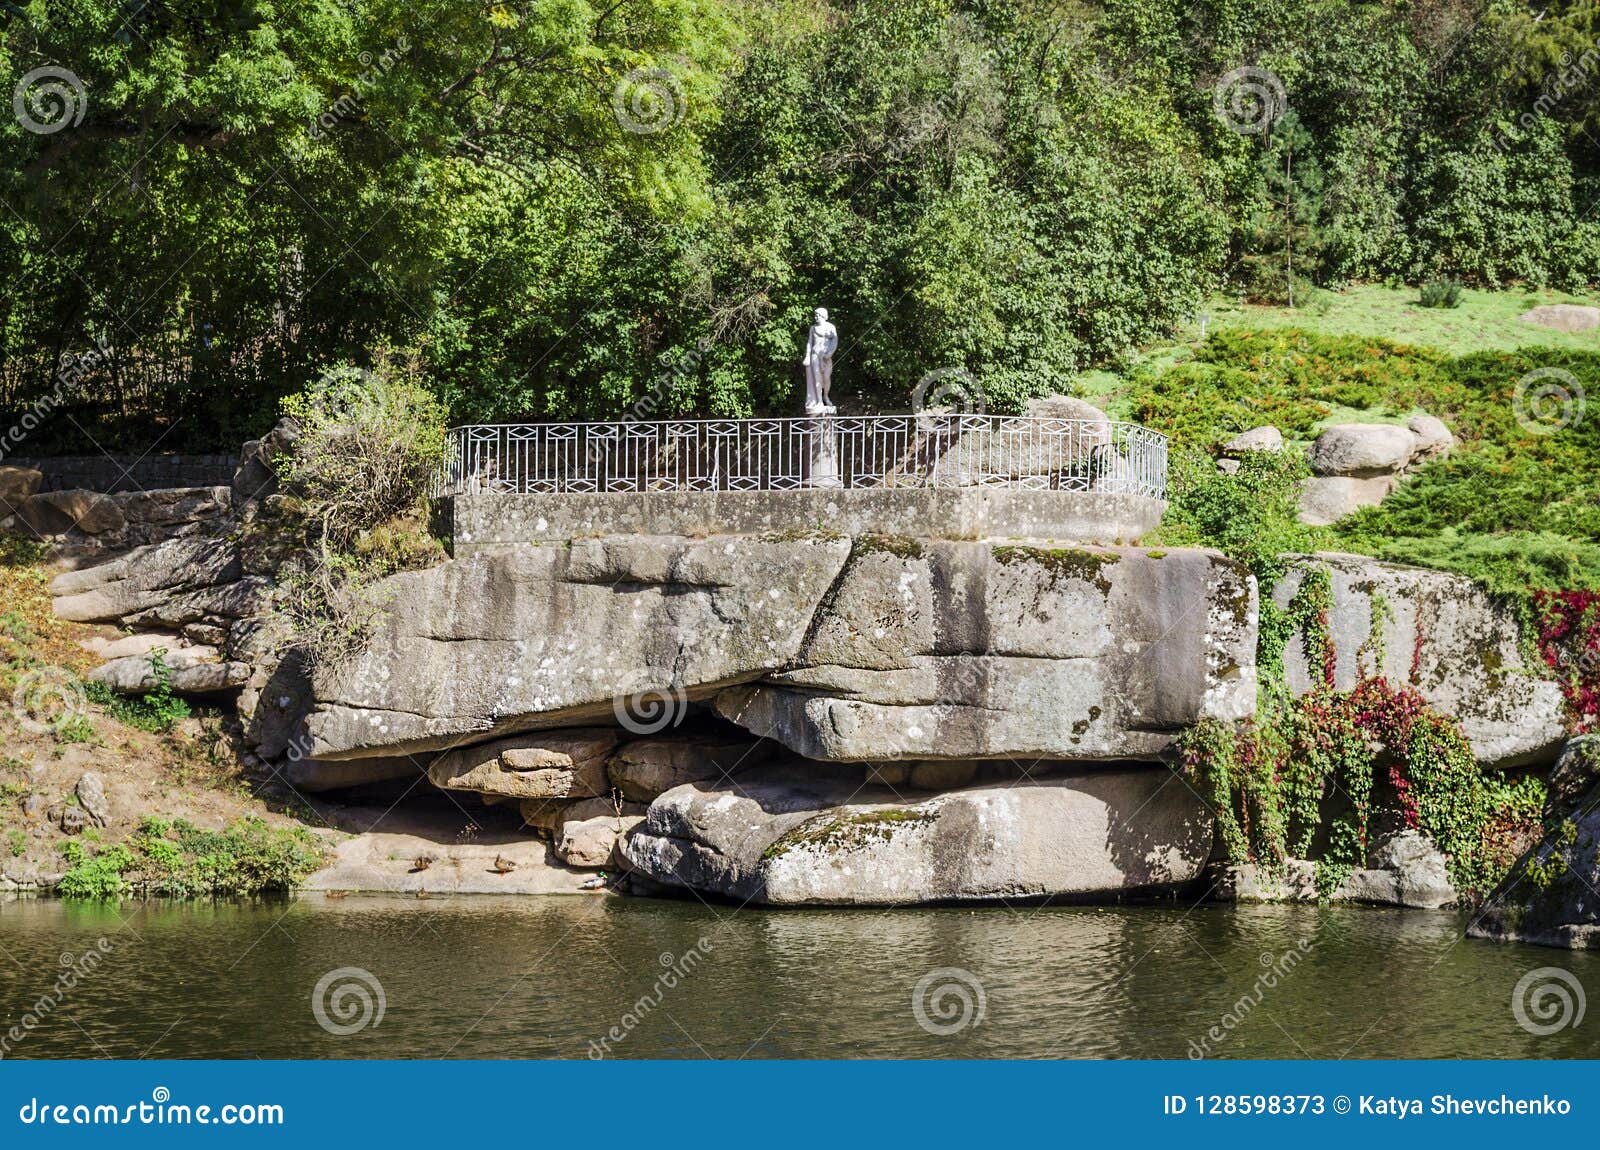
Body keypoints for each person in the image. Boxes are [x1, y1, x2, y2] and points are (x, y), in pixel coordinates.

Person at [803, 307, 838, 413]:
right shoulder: (813, 328)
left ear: (823, 316)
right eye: (815, 315)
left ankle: (826, 396)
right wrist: (807, 356)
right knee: (817, 379)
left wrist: (830, 353)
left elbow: (835, 341)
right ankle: (819, 401)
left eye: (818, 315)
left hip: (826, 357)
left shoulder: (830, 327)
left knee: (826, 378)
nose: (816, 317)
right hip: (815, 355)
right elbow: (810, 342)